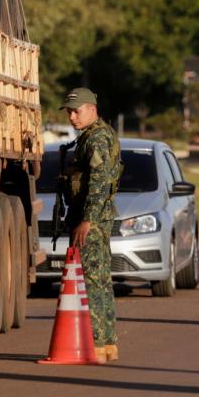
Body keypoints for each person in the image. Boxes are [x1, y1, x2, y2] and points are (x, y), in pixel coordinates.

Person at [61, 87, 123, 363]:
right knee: (101, 280)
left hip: (93, 220)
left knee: (92, 281)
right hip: (98, 217)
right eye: (70, 112)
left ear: (92, 110)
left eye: (78, 111)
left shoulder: (97, 138)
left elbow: (100, 181)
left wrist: (87, 219)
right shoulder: (96, 135)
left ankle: (97, 344)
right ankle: (107, 343)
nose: (73, 117)